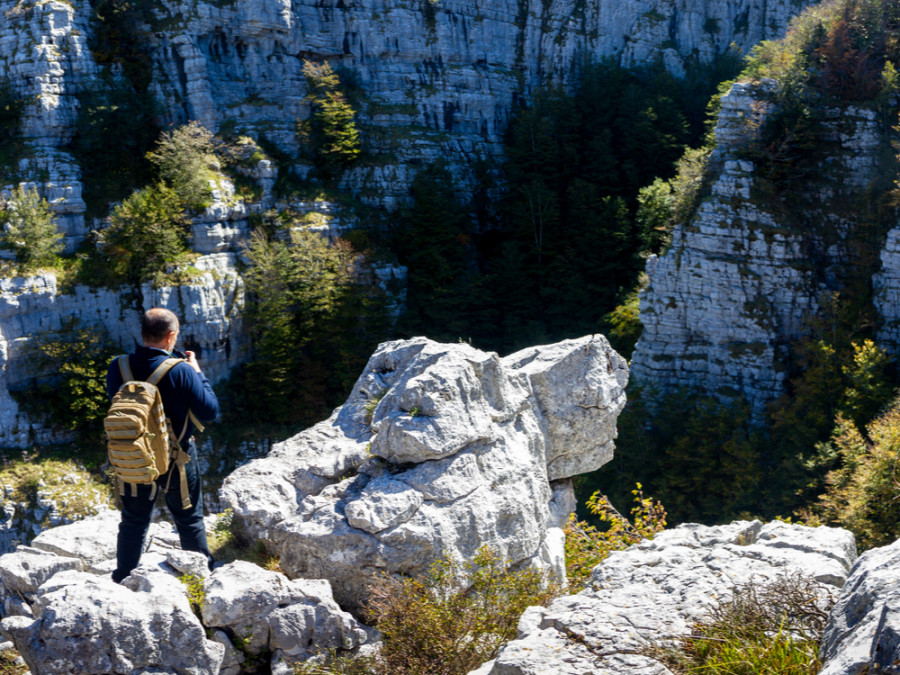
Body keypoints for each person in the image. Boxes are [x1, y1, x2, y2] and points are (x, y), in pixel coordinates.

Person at [106, 307, 219, 583]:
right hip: (175, 456)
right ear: (171, 337)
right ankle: (201, 578)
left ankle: (123, 578)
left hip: (134, 455)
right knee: (188, 518)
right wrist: (197, 373)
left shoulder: (118, 366)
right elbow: (210, 412)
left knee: (133, 521)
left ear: (142, 334)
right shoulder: (181, 370)